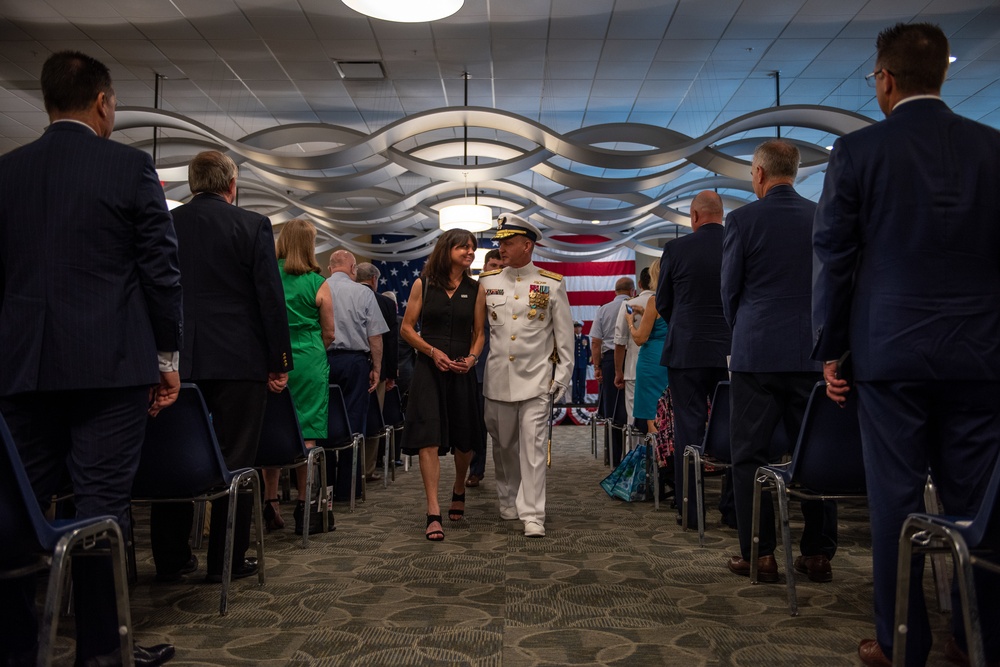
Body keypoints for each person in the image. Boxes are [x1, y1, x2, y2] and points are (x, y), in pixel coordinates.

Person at [812, 22, 1000, 667]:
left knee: (895, 500)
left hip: (889, 353)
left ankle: (901, 642)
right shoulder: (992, 148)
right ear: (941, 76)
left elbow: (835, 256)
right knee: (977, 507)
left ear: (885, 80)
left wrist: (831, 349)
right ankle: (977, 638)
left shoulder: (859, 152)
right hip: (982, 355)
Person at [0, 50, 182, 667]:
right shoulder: (130, 167)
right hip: (110, 365)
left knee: (21, 513)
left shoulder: (7, 171)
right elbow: (160, 273)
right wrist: (166, 356)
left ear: (49, 100)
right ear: (104, 102)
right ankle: (103, 652)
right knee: (103, 507)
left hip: (22, 368)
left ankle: (20, 646)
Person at [150, 150, 292, 585]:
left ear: (192, 183)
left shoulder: (166, 225)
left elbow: (154, 292)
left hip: (177, 360)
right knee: (236, 462)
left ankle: (171, 560)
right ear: (233, 185)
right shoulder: (252, 225)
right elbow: (270, 299)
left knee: (171, 459)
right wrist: (278, 361)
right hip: (239, 359)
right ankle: (225, 561)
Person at [721, 140, 836, 585]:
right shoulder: (820, 217)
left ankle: (761, 555)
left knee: (749, 455)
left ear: (760, 174)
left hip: (756, 353)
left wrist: (745, 329)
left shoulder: (742, 220)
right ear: (797, 171)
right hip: (811, 353)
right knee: (817, 453)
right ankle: (818, 554)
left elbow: (730, 291)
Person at [480, 214, 573, 538]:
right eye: (500, 243)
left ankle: (533, 514)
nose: (501, 248)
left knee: (533, 451)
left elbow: (564, 338)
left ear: (527, 245)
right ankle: (508, 497)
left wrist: (561, 377)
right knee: (504, 445)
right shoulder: (488, 283)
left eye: (507, 242)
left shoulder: (552, 283)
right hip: (498, 381)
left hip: (536, 381)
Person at [399, 229, 486, 540]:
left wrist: (473, 358)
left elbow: (479, 333)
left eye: (472, 248)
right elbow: (407, 329)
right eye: (463, 247)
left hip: (462, 369)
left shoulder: (477, 289)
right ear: (447, 249)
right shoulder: (423, 284)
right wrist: (431, 351)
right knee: (429, 439)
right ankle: (433, 510)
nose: (470, 252)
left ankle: (459, 485)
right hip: (429, 368)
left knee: (465, 441)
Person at [655, 190, 731, 527]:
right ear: (722, 213)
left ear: (694, 216)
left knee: (689, 428)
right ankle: (733, 508)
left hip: (686, 350)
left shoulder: (676, 249)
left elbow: (664, 301)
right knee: (732, 428)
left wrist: (683, 327)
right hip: (731, 351)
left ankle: (692, 511)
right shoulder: (737, 242)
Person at [261, 219, 335, 536]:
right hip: (308, 360)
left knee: (274, 428)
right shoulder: (317, 282)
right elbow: (330, 333)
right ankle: (306, 508)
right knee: (308, 432)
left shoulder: (267, 276)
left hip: (272, 360)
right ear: (309, 246)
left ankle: (270, 502)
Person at [324, 250, 388, 501]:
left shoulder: (320, 288)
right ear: (353, 269)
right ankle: (348, 489)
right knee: (355, 425)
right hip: (355, 362)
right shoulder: (364, 293)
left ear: (330, 269)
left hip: (324, 360)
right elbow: (375, 335)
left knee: (324, 423)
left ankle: (325, 486)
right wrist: (377, 368)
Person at [356, 262, 398, 482]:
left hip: (346, 365)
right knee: (374, 418)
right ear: (374, 280)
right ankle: (366, 469)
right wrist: (389, 374)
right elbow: (390, 341)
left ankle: (345, 467)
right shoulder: (385, 303)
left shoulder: (343, 297)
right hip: (377, 368)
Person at [468, 249, 504, 488]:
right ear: (485, 266)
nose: (496, 270)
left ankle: (508, 474)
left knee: (505, 426)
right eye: (492, 265)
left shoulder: (514, 290)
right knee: (477, 424)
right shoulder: (472, 290)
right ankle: (476, 470)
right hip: (478, 367)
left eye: (500, 266)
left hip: (506, 368)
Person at [590, 278, 634, 466]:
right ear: (632, 291)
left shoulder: (603, 309)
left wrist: (598, 367)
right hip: (633, 360)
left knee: (612, 411)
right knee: (633, 409)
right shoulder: (634, 306)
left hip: (609, 361)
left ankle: (614, 457)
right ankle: (634, 455)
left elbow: (596, 342)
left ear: (615, 291)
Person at [625, 260, 669, 436]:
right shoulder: (678, 297)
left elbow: (639, 338)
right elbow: (664, 322)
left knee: (653, 413)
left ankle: (658, 458)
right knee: (669, 411)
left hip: (652, 361)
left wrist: (630, 321)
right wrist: (645, 314)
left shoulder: (655, 300)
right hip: (670, 357)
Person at [613, 267, 654, 428]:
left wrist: (618, 371)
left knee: (633, 420)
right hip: (662, 367)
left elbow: (620, 341)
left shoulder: (630, 304)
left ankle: (634, 452)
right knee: (663, 415)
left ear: (640, 284)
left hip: (633, 368)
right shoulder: (665, 302)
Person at [571, 322, 591, 404]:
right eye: (576, 327)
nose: (577, 329)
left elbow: (588, 351)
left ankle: (581, 398)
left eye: (579, 327)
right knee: (575, 382)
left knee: (582, 382)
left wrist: (588, 362)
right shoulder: (571, 338)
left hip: (582, 363)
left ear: (581, 328)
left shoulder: (585, 338)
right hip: (574, 364)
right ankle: (575, 399)